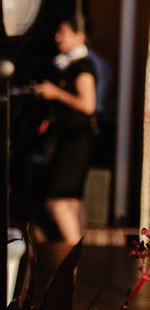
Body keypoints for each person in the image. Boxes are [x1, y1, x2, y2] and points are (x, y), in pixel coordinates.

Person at [34, 17, 97, 245]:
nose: (57, 37)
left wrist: (55, 93)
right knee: (71, 198)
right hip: (70, 138)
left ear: (79, 36)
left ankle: (73, 255)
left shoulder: (82, 66)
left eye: (63, 32)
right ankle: (79, 252)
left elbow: (88, 104)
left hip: (76, 140)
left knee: (59, 199)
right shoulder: (70, 65)